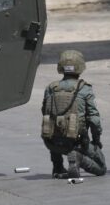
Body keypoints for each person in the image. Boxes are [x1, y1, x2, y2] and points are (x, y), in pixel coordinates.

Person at [41, 50, 106, 178]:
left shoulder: (50, 88)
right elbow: (94, 120)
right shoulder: (84, 89)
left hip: (52, 143)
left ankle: (58, 166)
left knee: (54, 123)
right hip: (76, 142)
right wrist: (96, 140)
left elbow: (45, 113)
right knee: (101, 168)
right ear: (80, 68)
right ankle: (78, 159)